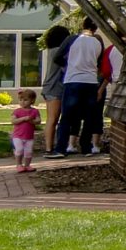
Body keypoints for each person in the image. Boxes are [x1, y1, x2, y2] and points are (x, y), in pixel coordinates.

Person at [58, 17, 108, 158]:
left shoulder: (72, 39)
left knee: (67, 116)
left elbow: (57, 57)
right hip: (91, 81)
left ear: (82, 25)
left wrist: (68, 65)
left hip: (73, 79)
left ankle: (61, 148)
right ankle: (86, 147)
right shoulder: (98, 43)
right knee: (89, 116)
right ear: (96, 28)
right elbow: (99, 62)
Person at [38, 23, 71, 157]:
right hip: (54, 88)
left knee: (52, 118)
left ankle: (50, 147)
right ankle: (49, 148)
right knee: (53, 119)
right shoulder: (58, 52)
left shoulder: (51, 51)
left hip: (50, 87)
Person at [9, 93, 41, 174]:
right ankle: (19, 165)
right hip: (18, 136)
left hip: (29, 136)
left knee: (28, 151)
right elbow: (13, 121)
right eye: (20, 100)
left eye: (25, 100)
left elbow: (38, 121)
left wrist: (31, 121)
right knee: (19, 150)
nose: (22, 102)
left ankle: (27, 165)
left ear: (32, 101)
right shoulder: (17, 111)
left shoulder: (34, 111)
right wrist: (23, 118)